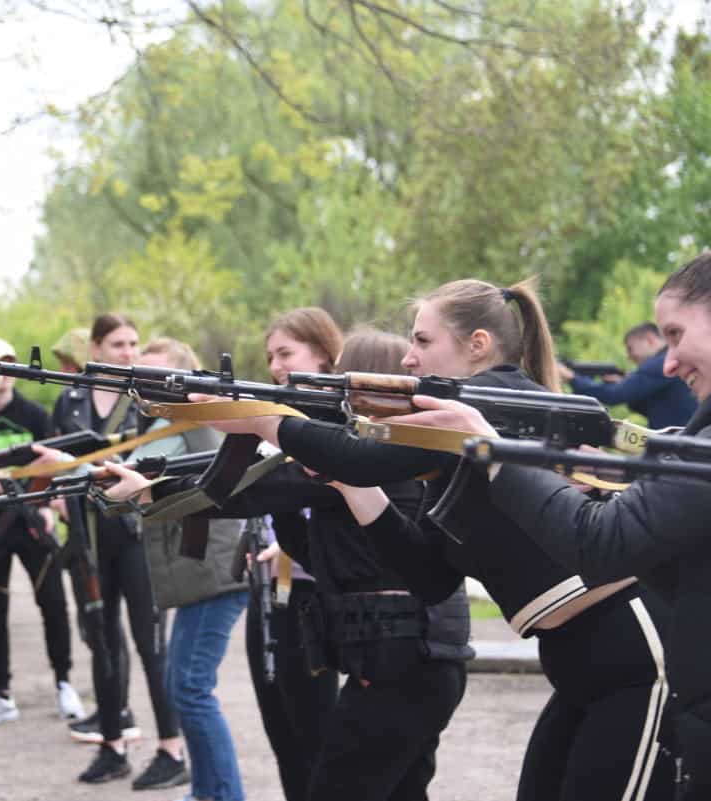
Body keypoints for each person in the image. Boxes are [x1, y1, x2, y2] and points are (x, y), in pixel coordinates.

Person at [202, 279, 675, 801]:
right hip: (579, 661)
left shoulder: (495, 405)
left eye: (423, 342)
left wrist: (261, 419)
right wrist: (356, 491)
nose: (407, 359)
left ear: (478, 345)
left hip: (634, 654)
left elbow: (358, 455)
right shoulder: (457, 446)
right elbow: (428, 574)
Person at [385, 253, 711, 797]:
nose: (669, 364)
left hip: (636, 666)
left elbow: (601, 544)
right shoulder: (696, 440)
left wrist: (491, 448)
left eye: (676, 335)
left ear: (479, 344)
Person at [105, 322, 472, 801]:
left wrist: (157, 489)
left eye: (343, 380)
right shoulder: (373, 458)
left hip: (401, 657)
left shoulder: (367, 457)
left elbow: (262, 491)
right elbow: (301, 533)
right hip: (410, 655)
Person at [53, 314, 188, 788]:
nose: (129, 352)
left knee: (151, 644)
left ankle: (171, 749)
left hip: (138, 533)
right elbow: (54, 464)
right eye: (118, 343)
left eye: (134, 343)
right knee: (102, 640)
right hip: (90, 536)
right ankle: (113, 744)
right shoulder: (68, 400)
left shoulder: (146, 402)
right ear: (95, 348)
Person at [134, 337, 249, 801]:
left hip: (214, 578)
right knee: (182, 686)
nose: (145, 385)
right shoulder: (171, 425)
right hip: (199, 579)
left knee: (192, 689)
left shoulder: (200, 420)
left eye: (158, 375)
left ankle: (222, 795)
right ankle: (206, 791)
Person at [0, 337, 83, 726]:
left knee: (52, 602)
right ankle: (0, 693)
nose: (5, 373)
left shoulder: (34, 415)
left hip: (32, 524)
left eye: (11, 362)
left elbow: (55, 464)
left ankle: (65, 683)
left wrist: (48, 507)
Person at [559, 321, 696, 429]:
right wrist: (626, 383)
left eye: (630, 349)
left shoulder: (659, 364)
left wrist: (572, 378)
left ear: (650, 340)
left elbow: (613, 395)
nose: (629, 356)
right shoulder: (662, 363)